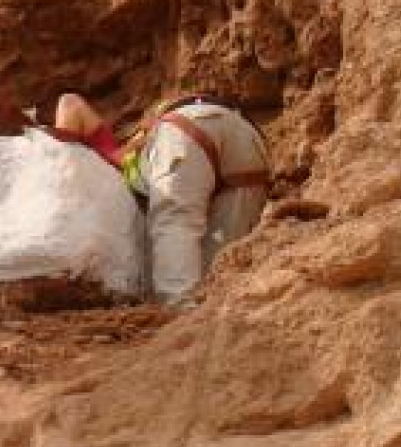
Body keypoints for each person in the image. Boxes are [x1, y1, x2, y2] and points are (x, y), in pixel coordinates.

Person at [48, 92, 270, 306]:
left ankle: (178, 313)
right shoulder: (133, 163)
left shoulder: (108, 161)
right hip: (243, 133)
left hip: (186, 130)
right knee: (223, 268)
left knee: (175, 222)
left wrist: (63, 156)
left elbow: (70, 102)